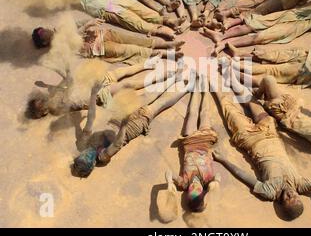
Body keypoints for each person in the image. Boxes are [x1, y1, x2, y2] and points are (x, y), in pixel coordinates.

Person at [210, 71, 311, 225]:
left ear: (281, 203)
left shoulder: (269, 192)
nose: (290, 194)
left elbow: (242, 175)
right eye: (295, 196)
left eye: (288, 199)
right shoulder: (300, 184)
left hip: (248, 139)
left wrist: (223, 160)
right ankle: (230, 76)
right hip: (269, 131)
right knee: (250, 101)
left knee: (227, 107)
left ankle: (210, 83)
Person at [72, 70, 196, 177]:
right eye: (88, 158)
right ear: (93, 164)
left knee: (148, 95)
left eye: (84, 155)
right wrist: (125, 121)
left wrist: (93, 94)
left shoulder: (83, 143)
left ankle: (175, 78)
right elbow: (117, 143)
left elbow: (91, 118)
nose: (88, 153)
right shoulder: (103, 156)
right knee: (158, 105)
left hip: (116, 120)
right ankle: (188, 88)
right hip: (130, 128)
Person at [201, 0, 311, 55]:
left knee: (261, 37)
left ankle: (223, 44)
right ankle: (222, 36)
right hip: (291, 14)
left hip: (296, 27)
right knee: (254, 23)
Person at [26, 57, 176, 119]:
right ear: (44, 112)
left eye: (40, 101)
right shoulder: (57, 108)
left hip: (91, 84)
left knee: (119, 73)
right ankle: (167, 75)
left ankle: (148, 64)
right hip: (97, 93)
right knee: (127, 84)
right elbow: (79, 102)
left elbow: (66, 83)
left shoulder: (54, 97)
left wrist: (61, 73)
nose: (42, 101)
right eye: (41, 105)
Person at [165, 77, 220, 212]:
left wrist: (169, 184)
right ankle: (205, 87)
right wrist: (216, 182)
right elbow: (218, 176)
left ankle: (195, 86)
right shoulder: (208, 180)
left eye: (191, 191)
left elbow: (169, 173)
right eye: (198, 190)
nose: (194, 187)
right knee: (205, 112)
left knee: (193, 112)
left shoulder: (183, 183)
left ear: (187, 195)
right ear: (203, 192)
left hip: (189, 142)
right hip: (205, 141)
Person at [32, 19, 185, 65]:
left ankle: (167, 45)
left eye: (45, 29)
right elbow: (74, 39)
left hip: (103, 34)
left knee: (135, 39)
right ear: (45, 43)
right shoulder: (57, 48)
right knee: (130, 49)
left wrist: (91, 23)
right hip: (98, 48)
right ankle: (166, 54)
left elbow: (78, 24)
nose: (48, 32)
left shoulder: (61, 26)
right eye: (45, 35)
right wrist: (86, 26)